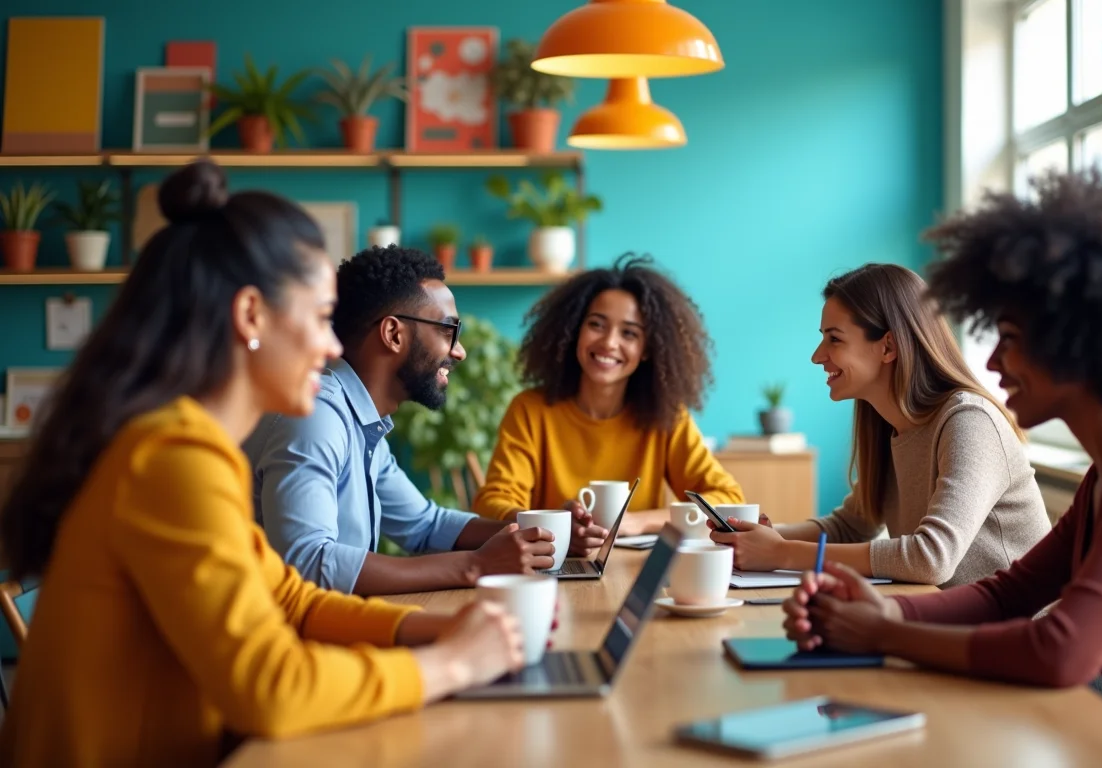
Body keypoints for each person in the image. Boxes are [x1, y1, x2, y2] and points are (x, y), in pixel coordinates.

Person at [0, 161, 524, 767]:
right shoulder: (172, 460)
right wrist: (454, 663)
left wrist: (440, 631)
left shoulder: (196, 447)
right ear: (252, 316)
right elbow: (269, 689)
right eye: (318, 318)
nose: (333, 346)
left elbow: (291, 599)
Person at [782, 171, 1102, 768]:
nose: (992, 362)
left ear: (1078, 344)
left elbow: (1061, 650)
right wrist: (878, 609)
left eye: (1011, 339)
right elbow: (1006, 594)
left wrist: (883, 632)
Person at [243, 245, 562, 596]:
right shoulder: (317, 416)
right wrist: (476, 565)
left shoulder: (361, 422)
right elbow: (308, 562)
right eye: (447, 331)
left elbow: (425, 525)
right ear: (394, 334)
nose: (459, 351)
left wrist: (544, 530)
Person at [712, 264, 1049, 587]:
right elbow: (850, 525)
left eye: (834, 339)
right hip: (947, 624)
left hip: (1016, 633)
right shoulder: (890, 425)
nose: (817, 355)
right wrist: (762, 538)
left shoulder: (970, 422)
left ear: (888, 346)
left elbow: (931, 558)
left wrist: (782, 553)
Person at [471, 253, 744, 536]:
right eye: (596, 325)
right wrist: (551, 525)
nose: (609, 343)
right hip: (551, 565)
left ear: (648, 349)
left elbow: (727, 498)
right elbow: (492, 503)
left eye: (629, 333)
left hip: (637, 571)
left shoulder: (666, 417)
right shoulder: (531, 409)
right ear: (574, 329)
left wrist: (638, 523)